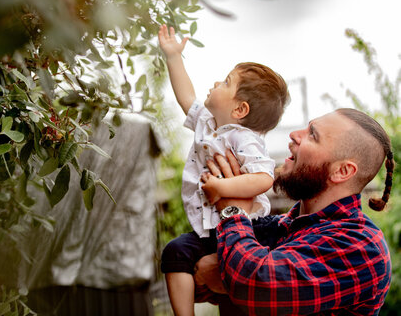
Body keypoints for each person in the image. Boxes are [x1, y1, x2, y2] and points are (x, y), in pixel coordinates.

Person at [194, 108, 394, 315]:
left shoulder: (362, 246)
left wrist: (232, 210)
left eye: (312, 135)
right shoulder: (277, 226)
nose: (294, 134)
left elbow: (255, 285)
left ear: (342, 171)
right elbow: (196, 275)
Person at [157, 24, 289, 316]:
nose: (217, 82)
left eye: (226, 82)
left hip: (245, 230)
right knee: (174, 253)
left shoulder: (244, 139)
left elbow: (263, 178)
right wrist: (173, 57)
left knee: (236, 295)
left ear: (240, 110)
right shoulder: (207, 122)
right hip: (209, 231)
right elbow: (186, 97)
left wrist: (222, 189)